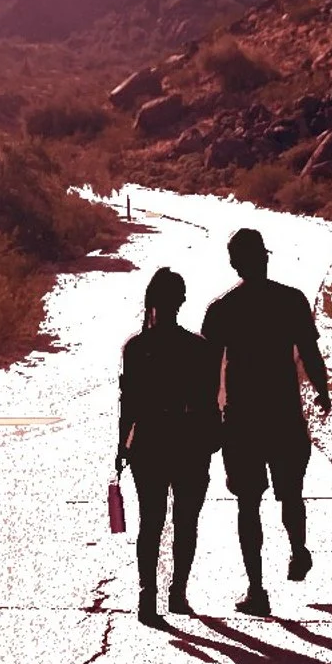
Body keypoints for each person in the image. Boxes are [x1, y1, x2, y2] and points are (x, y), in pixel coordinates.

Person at [202, 227, 330, 618]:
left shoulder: (223, 309)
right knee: (291, 493)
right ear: (265, 257)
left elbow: (208, 368)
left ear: (235, 263)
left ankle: (257, 589)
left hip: (242, 419)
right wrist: (322, 392)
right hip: (284, 414)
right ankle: (298, 549)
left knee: (248, 503)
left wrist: (208, 414)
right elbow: (309, 352)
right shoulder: (291, 301)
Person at [116, 266, 222, 629]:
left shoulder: (136, 348)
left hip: (148, 442)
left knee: (151, 521)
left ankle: (147, 594)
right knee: (185, 521)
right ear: (181, 302)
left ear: (151, 302)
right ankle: (177, 591)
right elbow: (210, 404)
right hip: (189, 441)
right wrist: (213, 440)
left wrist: (121, 446)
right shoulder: (198, 349)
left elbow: (127, 403)